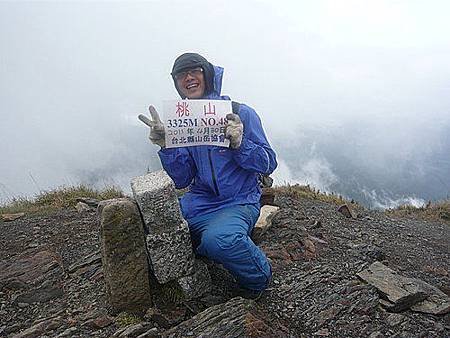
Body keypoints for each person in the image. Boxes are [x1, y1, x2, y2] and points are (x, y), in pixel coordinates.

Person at [140, 53, 277, 294]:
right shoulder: (183, 122)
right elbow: (182, 179)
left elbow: (268, 164)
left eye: (196, 71)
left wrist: (241, 143)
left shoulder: (241, 113)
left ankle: (259, 279)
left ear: (208, 74)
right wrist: (166, 145)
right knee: (146, 223)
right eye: (181, 74)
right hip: (199, 201)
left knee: (222, 241)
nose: (189, 78)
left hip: (238, 201)